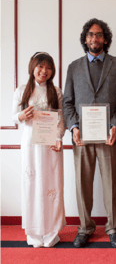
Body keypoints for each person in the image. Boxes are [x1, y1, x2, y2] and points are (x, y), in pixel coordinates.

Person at [63, 18, 116, 248]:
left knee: (111, 183)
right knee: (83, 184)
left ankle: (113, 227)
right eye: (90, 35)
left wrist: (115, 125)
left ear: (106, 39)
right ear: (85, 39)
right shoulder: (73, 67)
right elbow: (67, 102)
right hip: (82, 137)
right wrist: (74, 127)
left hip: (109, 136)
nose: (94, 38)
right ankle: (85, 227)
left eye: (98, 34)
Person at [12, 52, 66, 248]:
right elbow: (13, 116)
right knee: (32, 186)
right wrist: (21, 115)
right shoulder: (21, 91)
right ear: (32, 67)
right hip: (30, 146)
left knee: (52, 186)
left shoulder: (56, 92)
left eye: (49, 67)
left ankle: (51, 232)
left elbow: (61, 120)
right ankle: (34, 233)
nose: (44, 71)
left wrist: (59, 138)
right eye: (40, 66)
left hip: (50, 145)